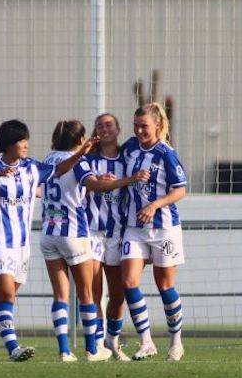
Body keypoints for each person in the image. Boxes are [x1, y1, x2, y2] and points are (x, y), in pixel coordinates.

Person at [0, 119, 95, 363]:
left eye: (26, 140)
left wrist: (81, 154)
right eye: (21, 140)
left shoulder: (31, 168)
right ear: (8, 144)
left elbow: (59, 169)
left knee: (1, 299)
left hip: (22, 246)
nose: (26, 145)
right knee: (6, 294)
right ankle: (13, 348)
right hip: (0, 243)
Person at [41, 119, 145, 362]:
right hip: (76, 233)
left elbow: (68, 186)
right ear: (80, 140)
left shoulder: (48, 159)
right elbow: (94, 185)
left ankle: (65, 351)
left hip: (48, 233)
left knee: (61, 294)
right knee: (88, 293)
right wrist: (126, 180)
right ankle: (93, 349)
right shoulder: (80, 161)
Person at [121, 103, 188, 361]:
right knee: (129, 282)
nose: (139, 131)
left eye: (144, 126)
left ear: (157, 126)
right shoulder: (129, 147)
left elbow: (180, 190)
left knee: (165, 285)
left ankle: (176, 341)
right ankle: (146, 341)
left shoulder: (166, 154)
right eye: (136, 126)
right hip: (134, 228)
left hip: (164, 229)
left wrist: (155, 204)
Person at [86, 113, 139, 361]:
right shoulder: (88, 159)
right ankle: (97, 345)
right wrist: (99, 183)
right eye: (100, 126)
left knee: (118, 293)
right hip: (93, 233)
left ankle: (113, 341)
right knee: (94, 292)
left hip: (119, 233)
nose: (104, 129)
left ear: (118, 129)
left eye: (109, 125)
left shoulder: (129, 157)